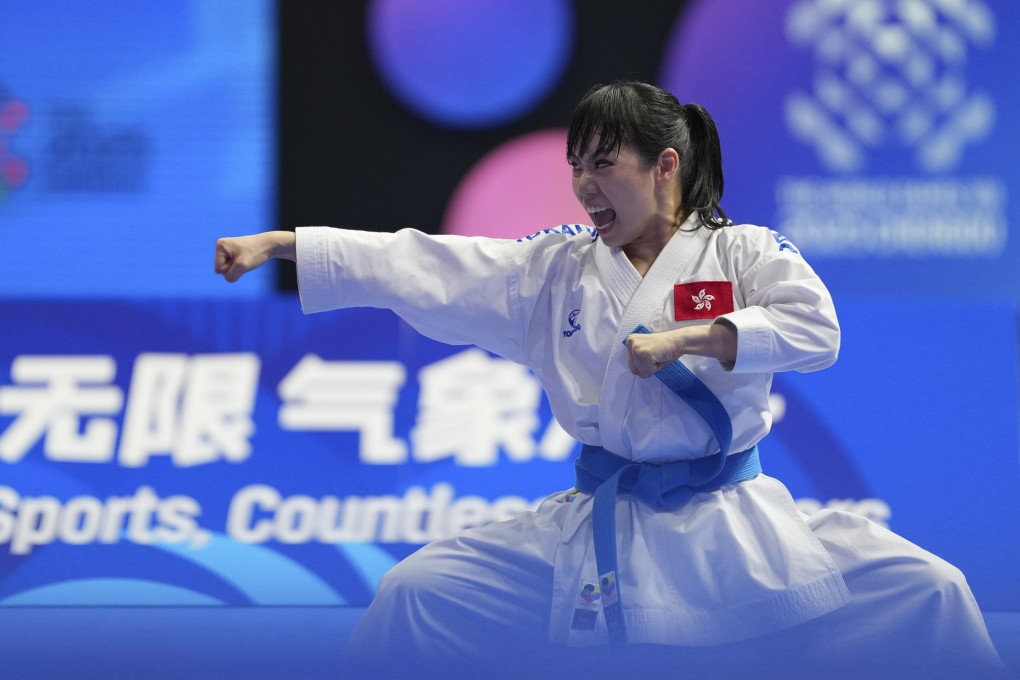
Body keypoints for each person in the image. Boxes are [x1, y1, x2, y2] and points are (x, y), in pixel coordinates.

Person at [215, 81, 1005, 678]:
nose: (584, 185)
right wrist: (286, 245)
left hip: (734, 522)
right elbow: (426, 263)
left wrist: (692, 338)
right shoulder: (556, 268)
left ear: (666, 166)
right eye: (575, 167)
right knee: (416, 592)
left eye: (603, 164)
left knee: (929, 589)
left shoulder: (743, 252)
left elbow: (816, 329)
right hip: (604, 522)